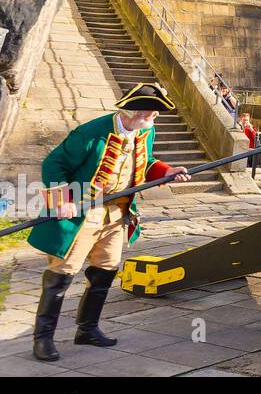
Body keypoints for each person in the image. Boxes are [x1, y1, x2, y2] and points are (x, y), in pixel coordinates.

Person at [28, 82, 191, 361]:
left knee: (105, 272)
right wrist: (62, 200)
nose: (155, 119)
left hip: (117, 213)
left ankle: (87, 330)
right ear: (135, 113)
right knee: (61, 277)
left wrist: (167, 171)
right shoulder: (91, 133)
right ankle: (43, 339)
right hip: (83, 213)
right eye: (152, 115)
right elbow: (54, 164)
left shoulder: (144, 131)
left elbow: (146, 162)